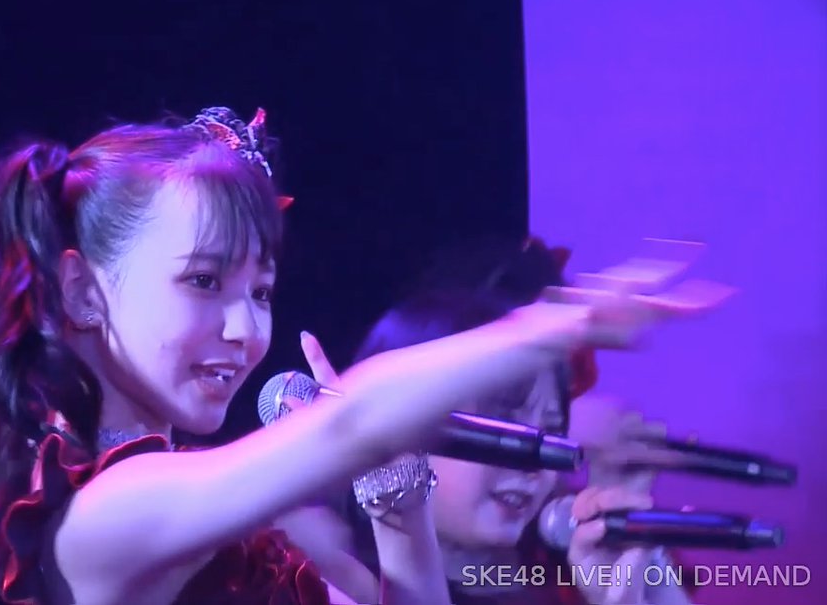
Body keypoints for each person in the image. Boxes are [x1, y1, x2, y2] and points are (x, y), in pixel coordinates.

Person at [0, 106, 730, 605]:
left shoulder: (222, 514)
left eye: (261, 291)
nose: (244, 328)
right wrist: (554, 324)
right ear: (83, 291)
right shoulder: (107, 517)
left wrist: (398, 506)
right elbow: (353, 426)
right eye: (203, 281)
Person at [274, 236, 703, 604]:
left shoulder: (569, 581)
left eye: (551, 431)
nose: (534, 464)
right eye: (503, 429)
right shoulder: (331, 582)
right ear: (400, 423)